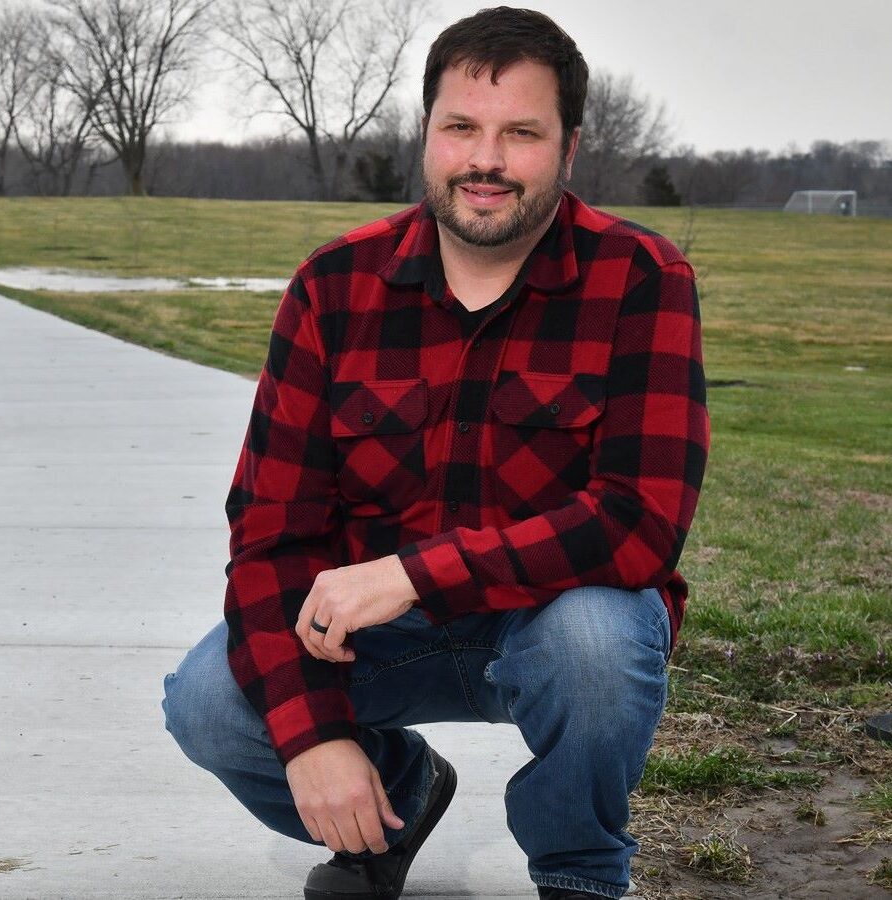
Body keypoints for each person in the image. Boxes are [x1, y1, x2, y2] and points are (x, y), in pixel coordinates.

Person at [163, 7, 709, 899]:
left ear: (568, 149)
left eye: (520, 133)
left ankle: (577, 869)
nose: (485, 160)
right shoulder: (333, 286)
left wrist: (412, 573)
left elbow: (637, 524)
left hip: (548, 623)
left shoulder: (639, 279)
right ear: (427, 135)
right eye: (460, 127)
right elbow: (269, 536)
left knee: (597, 646)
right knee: (209, 704)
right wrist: (314, 738)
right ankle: (398, 802)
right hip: (380, 640)